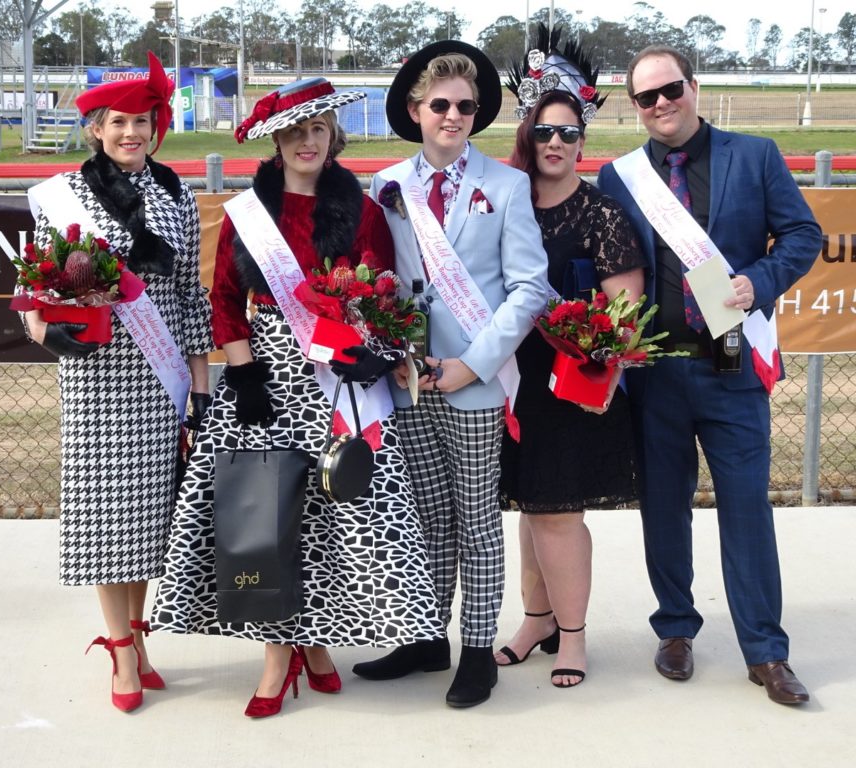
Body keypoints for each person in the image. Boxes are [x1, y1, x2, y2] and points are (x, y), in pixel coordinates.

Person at [150, 78, 444, 719]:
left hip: (338, 382)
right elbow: (224, 299)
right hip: (264, 380)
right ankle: (280, 658)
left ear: (332, 137)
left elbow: (382, 293)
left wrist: (370, 348)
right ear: (276, 141)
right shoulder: (246, 214)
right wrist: (244, 372)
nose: (307, 141)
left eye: (317, 130)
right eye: (293, 132)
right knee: (266, 517)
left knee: (329, 521)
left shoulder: (363, 212)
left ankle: (311, 646)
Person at [597, 45, 822, 705]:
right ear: (635, 107)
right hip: (657, 370)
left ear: (694, 87)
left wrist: (759, 281)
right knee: (664, 506)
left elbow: (803, 236)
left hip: (729, 359)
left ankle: (766, 652)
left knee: (747, 507)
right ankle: (674, 627)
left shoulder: (754, 155)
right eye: (646, 98)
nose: (661, 104)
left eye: (671, 90)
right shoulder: (622, 178)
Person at [352, 41, 550, 708]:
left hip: (474, 382)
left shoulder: (507, 185)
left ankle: (476, 652)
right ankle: (425, 635)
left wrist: (474, 364)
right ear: (415, 109)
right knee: (428, 519)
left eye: (466, 106)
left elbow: (529, 290)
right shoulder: (385, 187)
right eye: (441, 104)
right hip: (410, 382)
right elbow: (379, 280)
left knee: (476, 522)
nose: (454, 115)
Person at [18, 52, 213, 713]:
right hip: (98, 375)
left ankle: (137, 636)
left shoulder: (177, 196)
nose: (133, 133)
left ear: (158, 127)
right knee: (110, 520)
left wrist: (200, 381)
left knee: (147, 520)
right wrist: (49, 331)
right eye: (119, 122)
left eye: (143, 121)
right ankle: (121, 652)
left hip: (160, 383)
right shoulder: (63, 196)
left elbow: (188, 294)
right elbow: (32, 284)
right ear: (97, 129)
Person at [495, 29, 645, 689]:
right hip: (509, 384)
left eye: (568, 132)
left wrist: (585, 335)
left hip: (570, 390)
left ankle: (574, 637)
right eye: (544, 131)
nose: (555, 143)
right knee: (531, 509)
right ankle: (536, 619)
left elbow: (625, 320)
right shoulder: (506, 207)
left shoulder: (603, 217)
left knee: (558, 513)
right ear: (529, 136)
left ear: (582, 141)